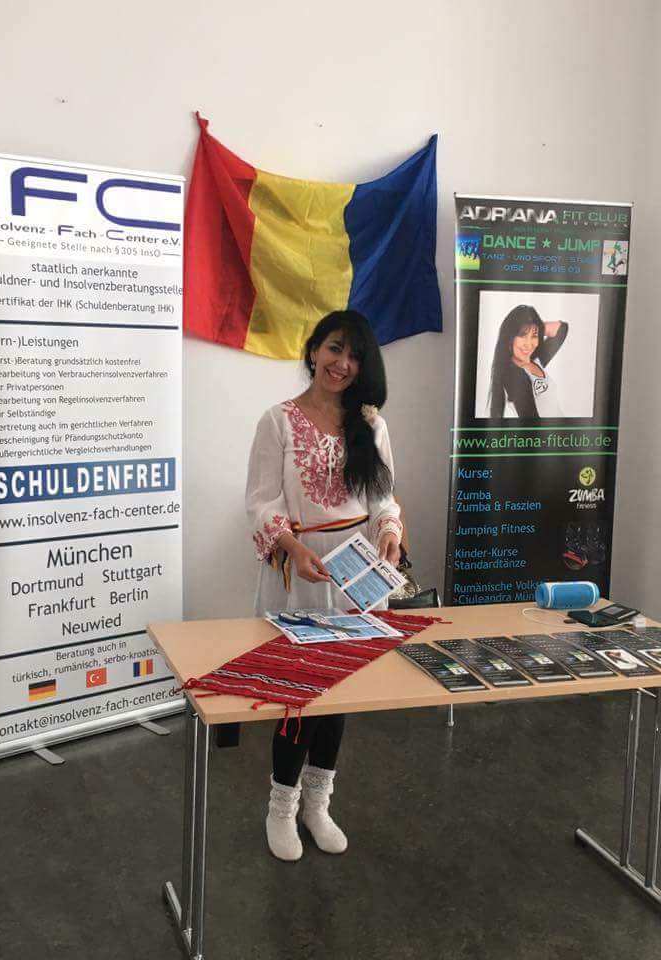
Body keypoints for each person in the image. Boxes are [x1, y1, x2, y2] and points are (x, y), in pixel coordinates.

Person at [245, 310, 402, 862]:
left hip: (356, 575)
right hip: (301, 570)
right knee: (300, 694)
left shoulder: (371, 424)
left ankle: (318, 805)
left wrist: (389, 531)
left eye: (355, 355)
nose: (343, 363)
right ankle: (280, 807)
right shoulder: (278, 421)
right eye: (335, 348)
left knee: (338, 695)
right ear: (314, 350)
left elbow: (382, 498)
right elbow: (261, 501)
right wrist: (292, 547)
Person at [488, 305, 568, 418]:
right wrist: (531, 327)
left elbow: (561, 328)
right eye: (522, 335)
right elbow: (531, 424)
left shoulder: (534, 360)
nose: (529, 344)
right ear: (510, 337)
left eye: (534, 336)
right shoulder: (514, 375)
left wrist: (536, 325)